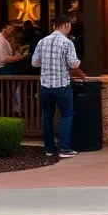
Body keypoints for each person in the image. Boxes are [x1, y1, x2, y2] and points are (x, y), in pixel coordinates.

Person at [32, 14, 85, 158]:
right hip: (62, 85)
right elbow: (74, 64)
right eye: (70, 26)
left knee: (47, 117)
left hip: (45, 86)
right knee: (67, 115)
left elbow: (34, 63)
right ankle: (65, 149)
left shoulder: (42, 41)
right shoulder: (67, 43)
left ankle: (49, 149)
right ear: (66, 25)